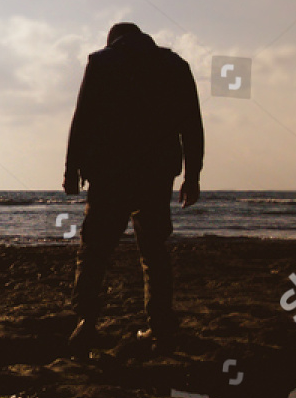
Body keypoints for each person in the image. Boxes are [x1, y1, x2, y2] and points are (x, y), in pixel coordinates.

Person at [62, 22, 204, 350]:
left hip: (108, 172)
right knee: (153, 249)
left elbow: (81, 119)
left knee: (94, 249)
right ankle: (160, 325)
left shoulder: (101, 63)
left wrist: (71, 171)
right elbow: (191, 124)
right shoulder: (175, 66)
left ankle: (85, 321)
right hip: (155, 173)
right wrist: (192, 176)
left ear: (113, 41)